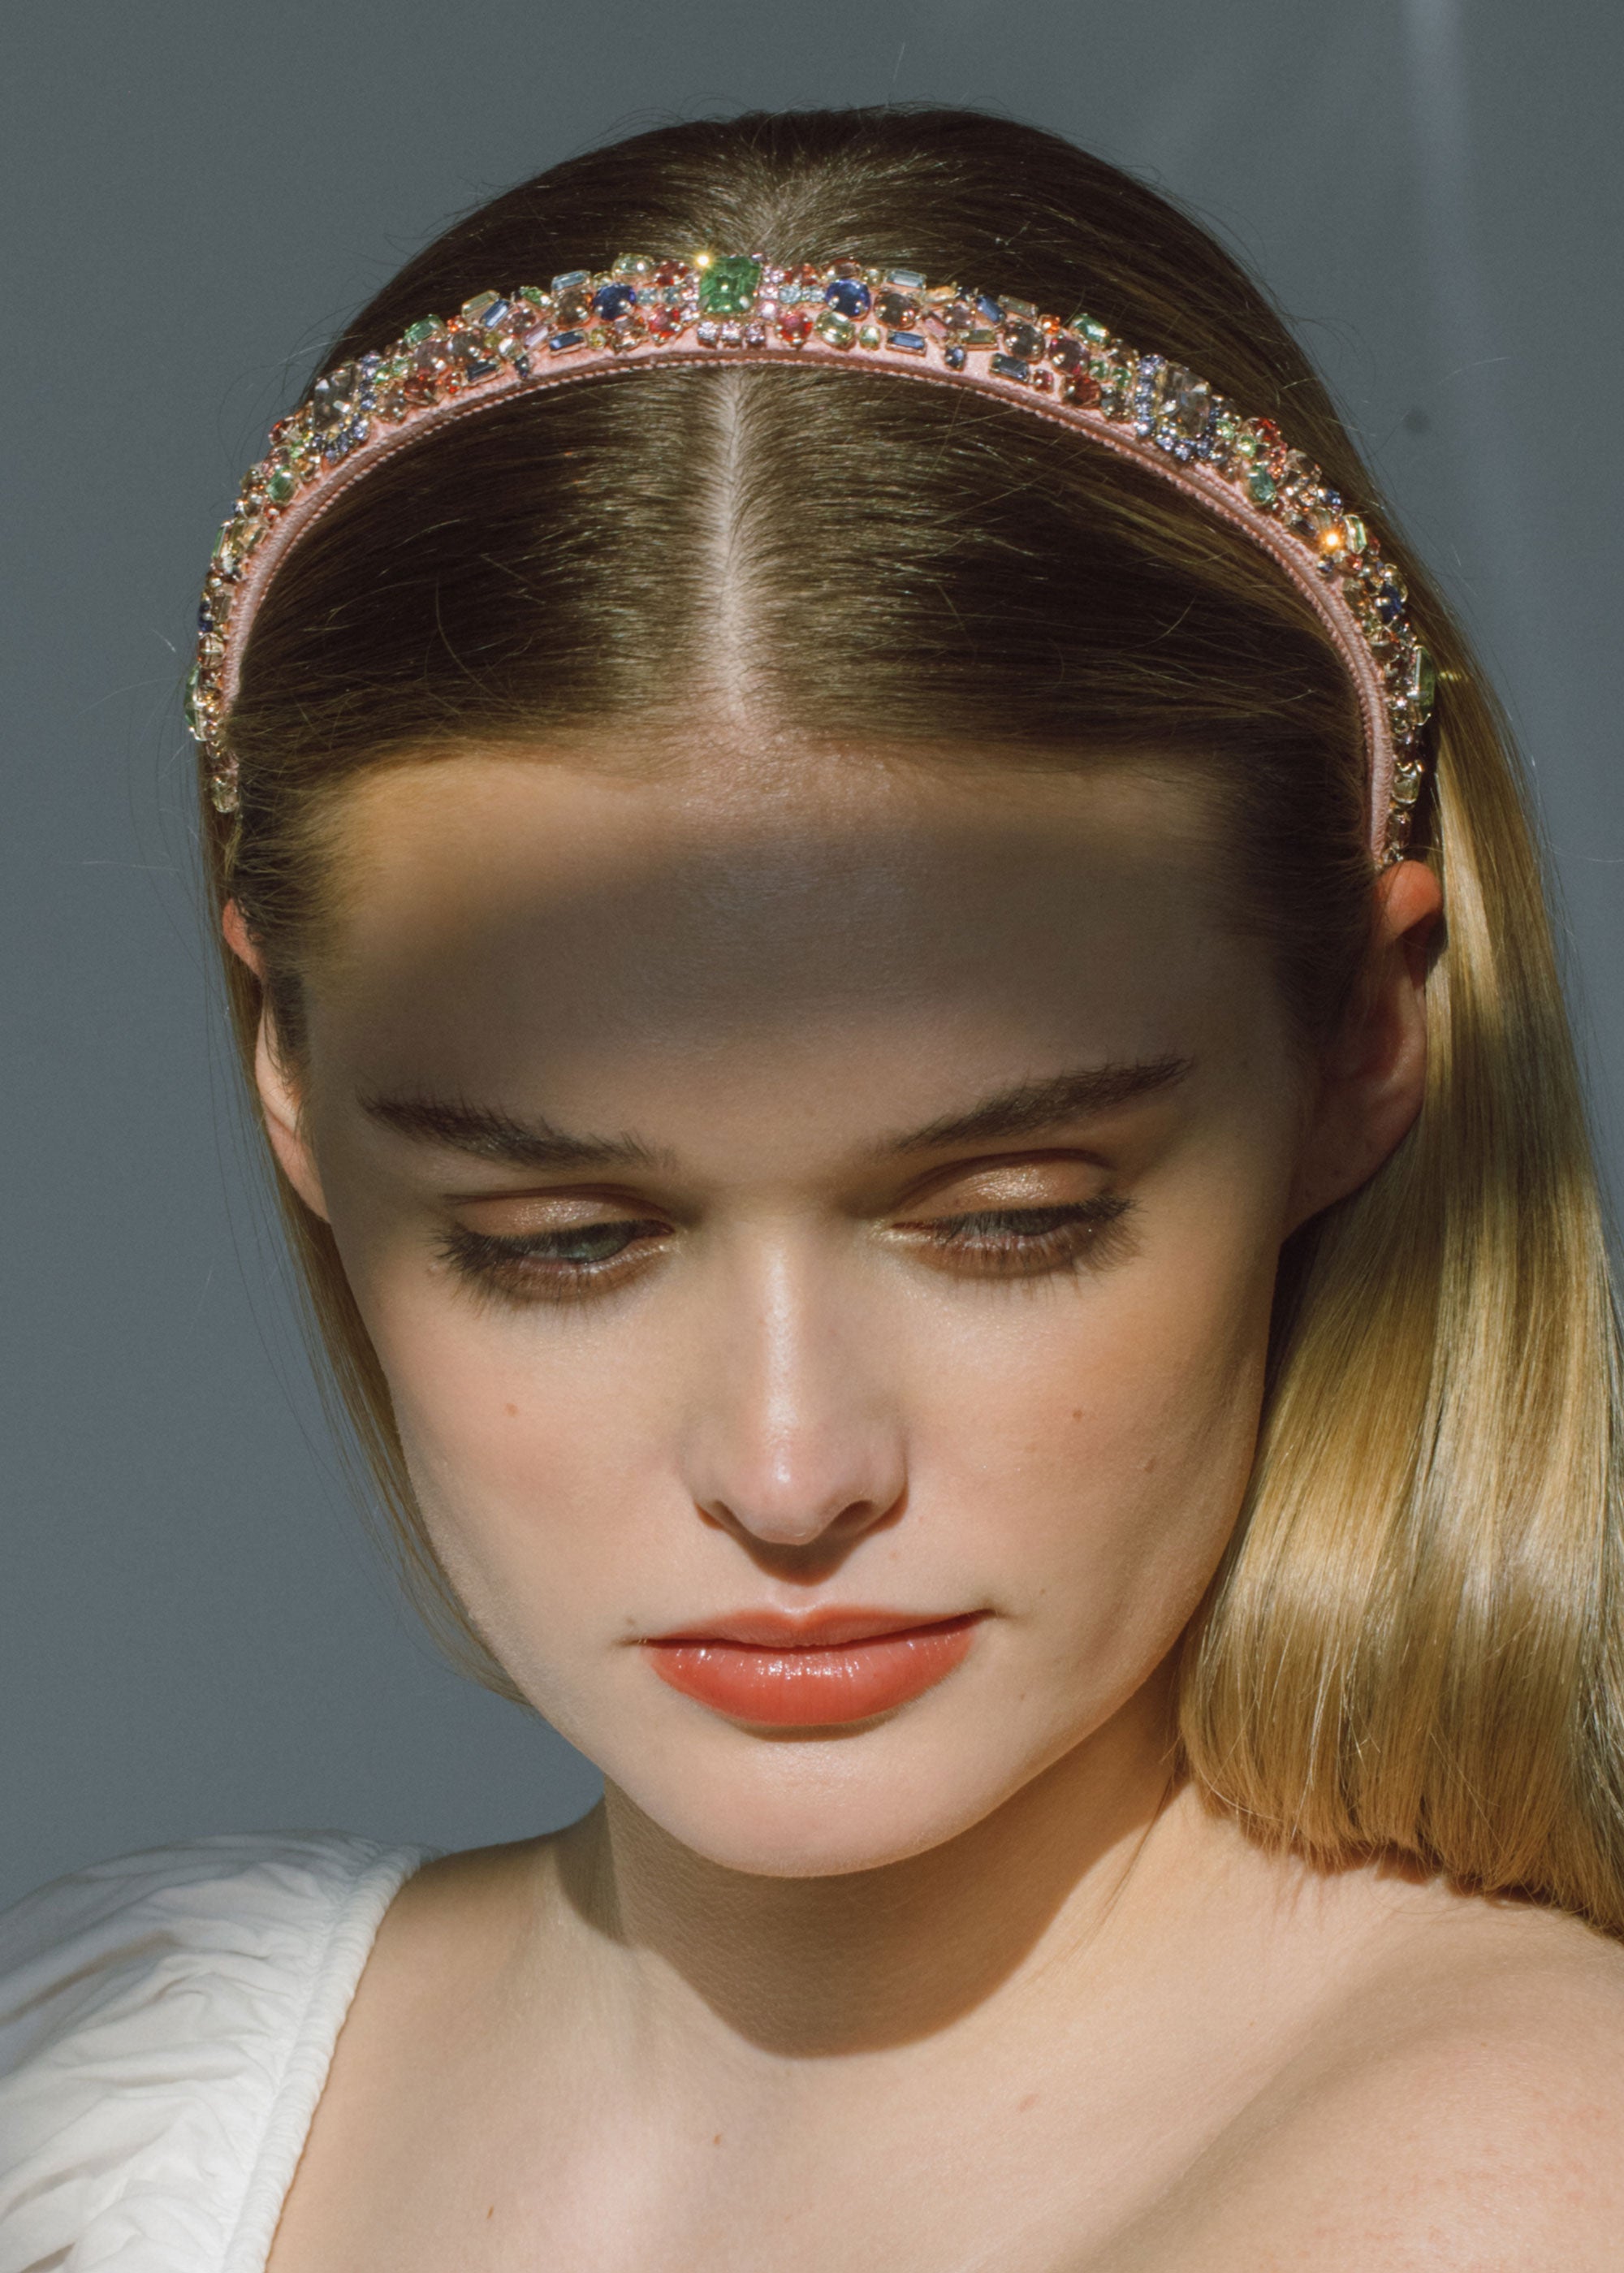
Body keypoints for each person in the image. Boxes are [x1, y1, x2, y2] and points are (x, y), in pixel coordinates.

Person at [3, 103, 1622, 2271]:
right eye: (564, 1242)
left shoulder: (1519, 2197)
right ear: (286, 1076)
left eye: (1010, 1216)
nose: (789, 1475)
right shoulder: (111, 2095)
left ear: (1362, 1044)